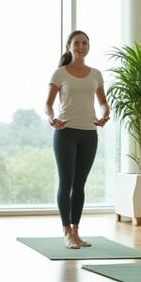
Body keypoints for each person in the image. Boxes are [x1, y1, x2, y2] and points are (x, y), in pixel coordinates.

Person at [45, 30, 110, 249]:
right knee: (66, 183)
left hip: (89, 133)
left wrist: (105, 114)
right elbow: (48, 103)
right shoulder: (60, 73)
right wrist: (52, 117)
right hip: (65, 133)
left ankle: (76, 231)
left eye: (84, 43)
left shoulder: (96, 74)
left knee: (80, 184)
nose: (81, 46)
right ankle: (65, 232)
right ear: (68, 47)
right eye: (76, 43)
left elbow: (103, 102)